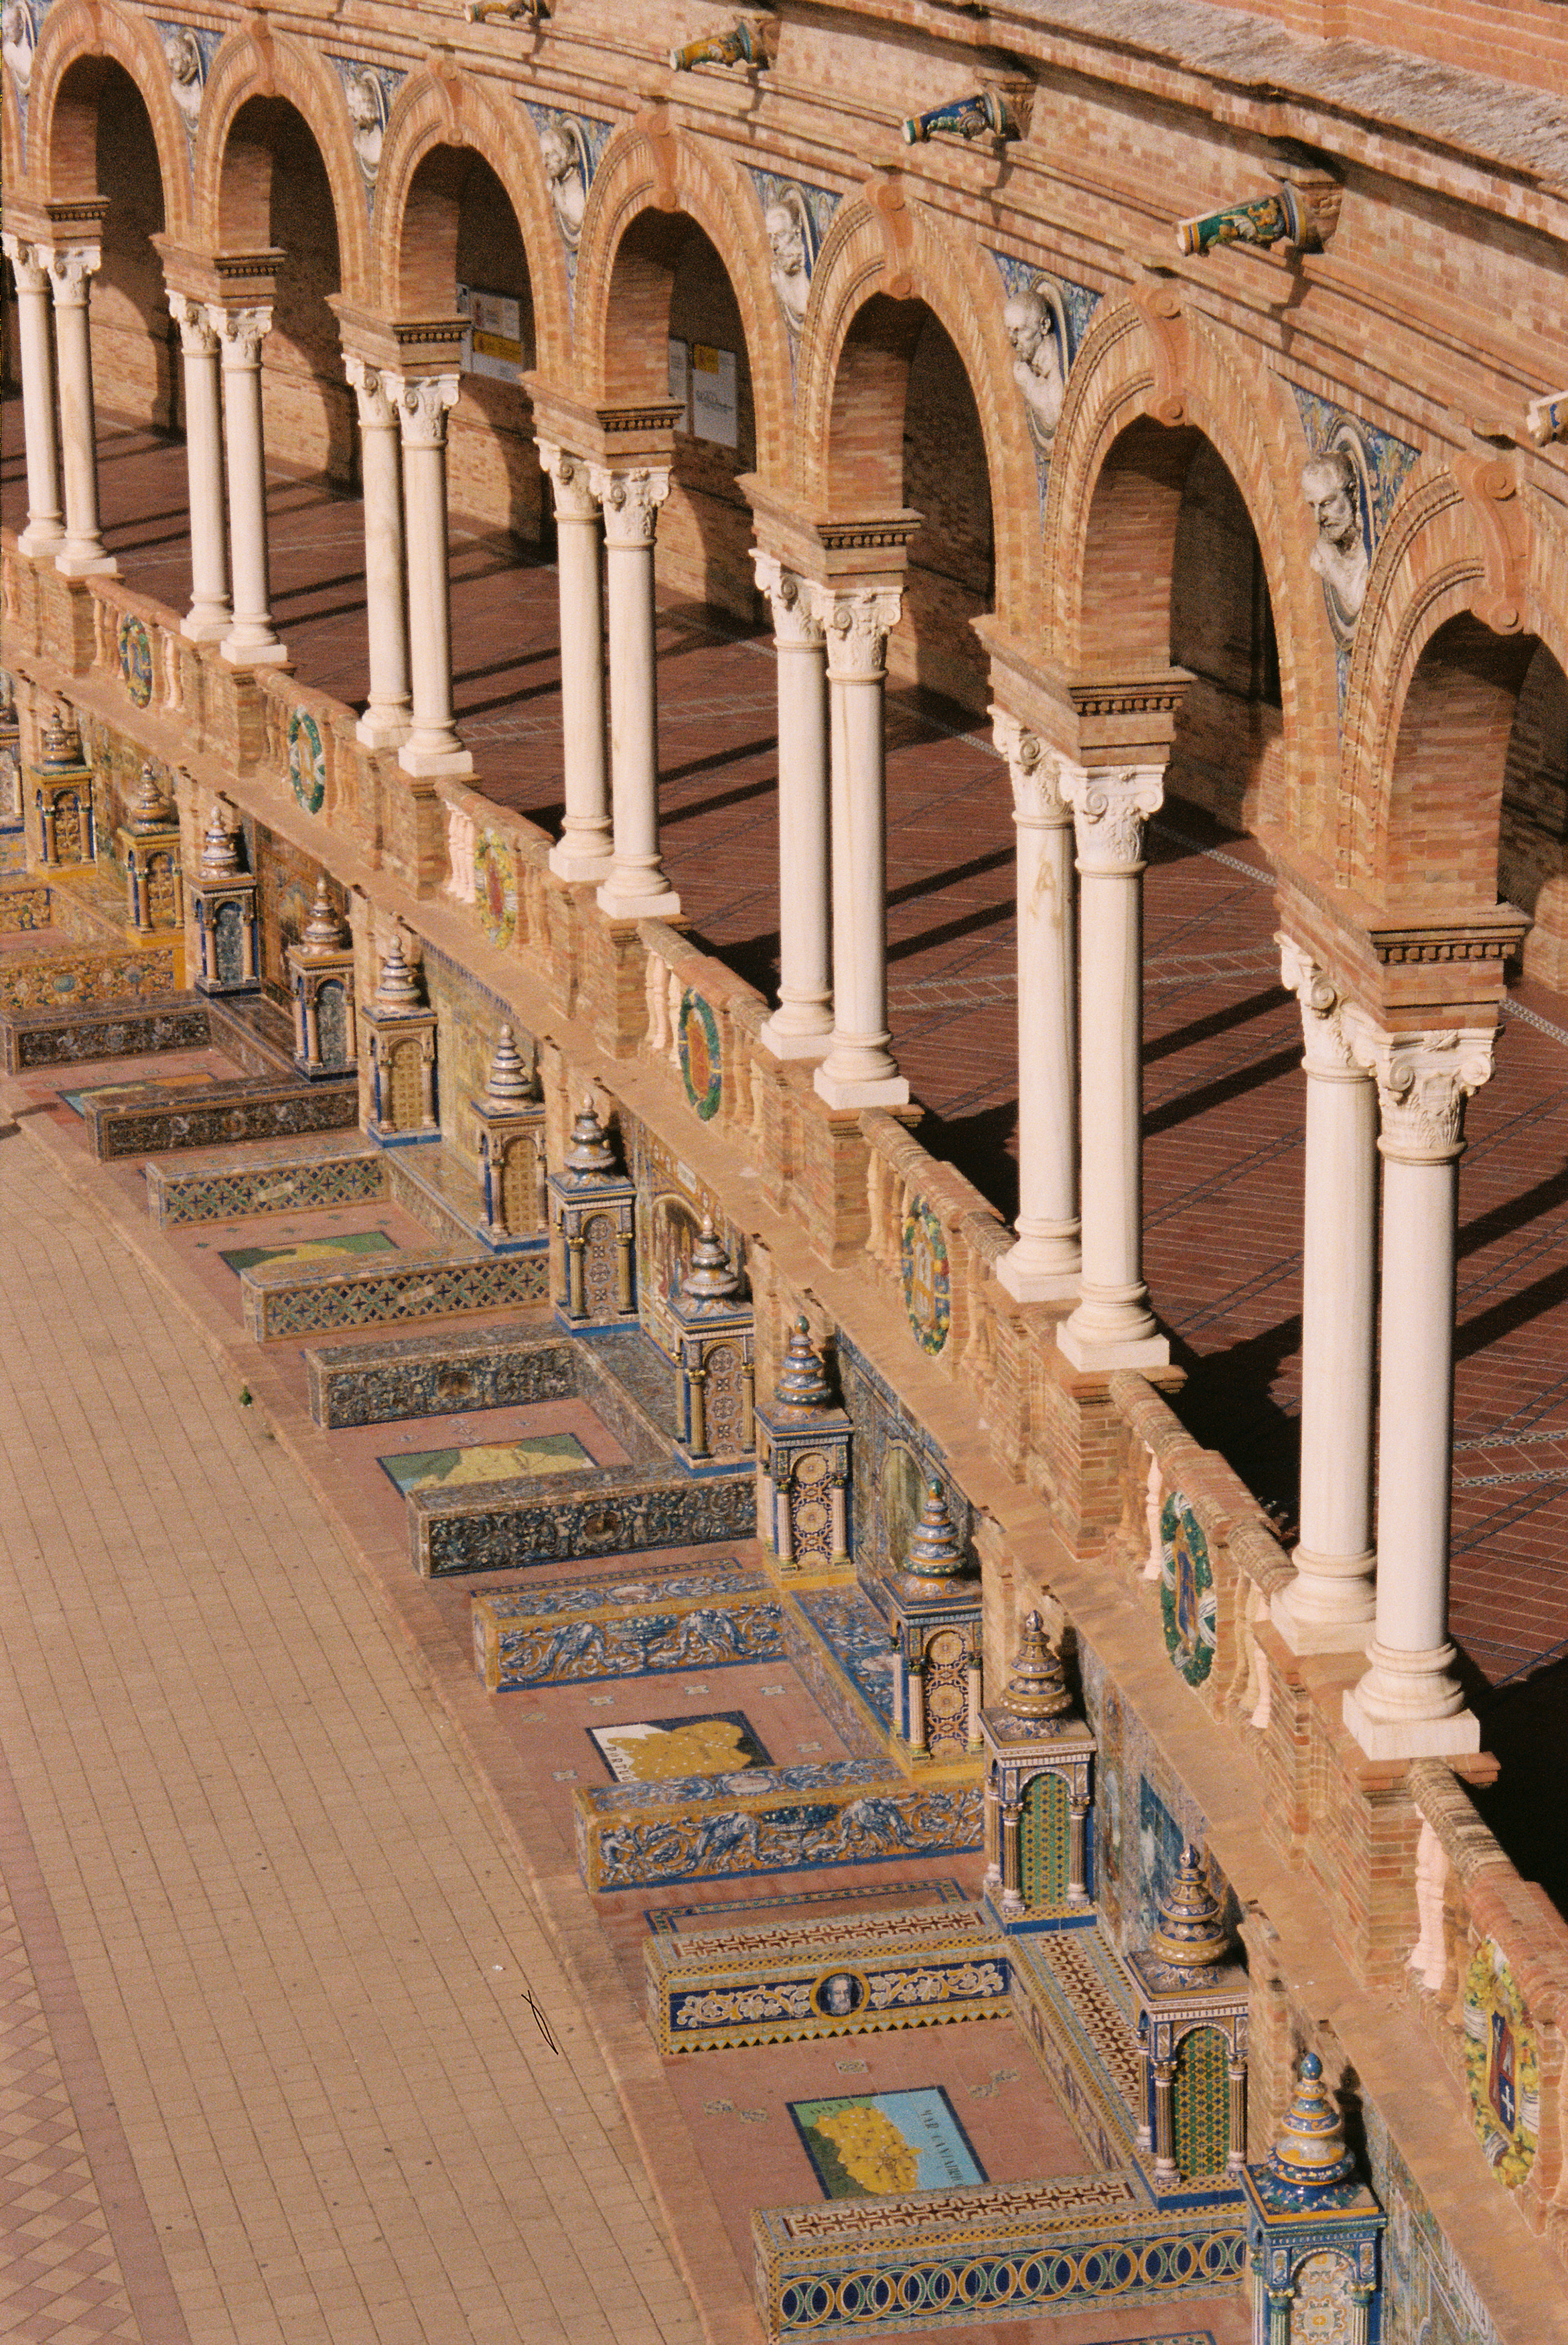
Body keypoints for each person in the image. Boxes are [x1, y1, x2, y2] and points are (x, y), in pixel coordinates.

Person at [1301, 448, 1368, 624]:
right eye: (1312, 506)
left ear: (1352, 493)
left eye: (1326, 504)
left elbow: (1358, 601)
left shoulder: (1373, 539)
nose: (1318, 519)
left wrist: (1332, 561)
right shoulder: (1320, 556)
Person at [1005, 287, 1065, 449]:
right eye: (1010, 331)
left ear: (1044, 325)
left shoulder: (1052, 364)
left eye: (1019, 331)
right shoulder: (1028, 364)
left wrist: (1029, 384)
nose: (1012, 341)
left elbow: (1055, 419)